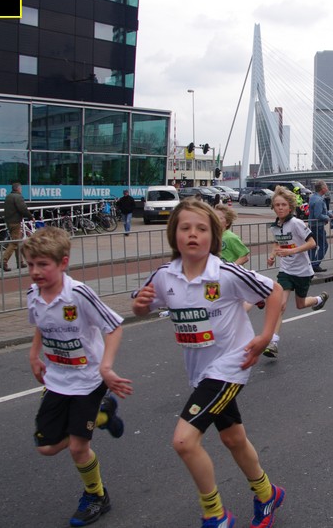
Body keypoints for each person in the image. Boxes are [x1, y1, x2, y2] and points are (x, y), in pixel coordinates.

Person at [131, 200, 286, 528]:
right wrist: (140, 306)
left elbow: (275, 291)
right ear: (173, 234)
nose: (193, 234)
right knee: (233, 439)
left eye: (201, 229)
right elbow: (141, 306)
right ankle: (266, 493)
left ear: (214, 237)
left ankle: (215, 514)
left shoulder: (226, 273)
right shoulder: (165, 275)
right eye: (185, 228)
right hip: (200, 372)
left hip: (230, 365)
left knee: (184, 441)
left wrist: (265, 336)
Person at [25, 226, 131, 527]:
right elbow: (40, 324)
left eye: (43, 264)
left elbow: (114, 327)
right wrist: (34, 355)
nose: (35, 271)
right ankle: (102, 415)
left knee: (77, 447)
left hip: (89, 380)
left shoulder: (79, 294)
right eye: (30, 264)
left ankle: (96, 495)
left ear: (63, 263)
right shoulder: (33, 295)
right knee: (46, 447)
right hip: (57, 379)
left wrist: (106, 368)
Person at [263, 186, 329, 358]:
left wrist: (292, 251)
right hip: (286, 271)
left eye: (283, 205)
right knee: (281, 305)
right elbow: (277, 243)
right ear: (273, 207)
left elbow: (312, 243)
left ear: (290, 207)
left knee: (300, 305)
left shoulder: (296, 223)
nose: (280, 208)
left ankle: (319, 299)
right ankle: (273, 342)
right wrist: (272, 256)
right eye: (277, 205)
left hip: (302, 271)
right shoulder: (275, 226)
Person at [0, 181, 34, 271]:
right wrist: (31, 217)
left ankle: (20, 262)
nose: (21, 190)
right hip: (15, 222)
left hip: (9, 221)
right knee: (15, 242)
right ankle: (3, 261)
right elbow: (23, 209)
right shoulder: (18, 197)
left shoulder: (8, 196)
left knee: (18, 241)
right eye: (21, 188)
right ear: (18, 189)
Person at [307, 180, 330, 272]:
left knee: (313, 246)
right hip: (318, 226)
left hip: (312, 225)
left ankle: (310, 264)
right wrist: (327, 218)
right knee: (324, 245)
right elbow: (318, 215)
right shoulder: (319, 200)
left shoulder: (313, 197)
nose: (327, 188)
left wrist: (331, 215)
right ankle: (315, 264)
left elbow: (322, 212)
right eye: (326, 186)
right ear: (322, 189)